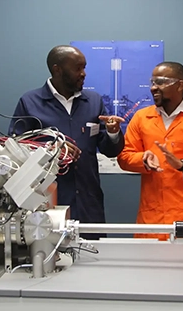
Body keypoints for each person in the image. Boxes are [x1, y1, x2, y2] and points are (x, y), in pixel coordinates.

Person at [9, 45, 125, 239]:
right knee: (51, 260)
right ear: (57, 69)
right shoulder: (30, 102)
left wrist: (113, 133)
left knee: (94, 260)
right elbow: (15, 152)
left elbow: (109, 149)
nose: (83, 73)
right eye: (78, 68)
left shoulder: (94, 102)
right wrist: (51, 150)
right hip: (47, 204)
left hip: (89, 203)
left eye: (84, 67)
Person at [116, 61, 183, 239]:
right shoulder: (142, 118)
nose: (153, 88)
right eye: (152, 82)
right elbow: (124, 158)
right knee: (148, 266)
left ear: (180, 85)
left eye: (161, 81)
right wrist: (143, 159)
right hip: (151, 218)